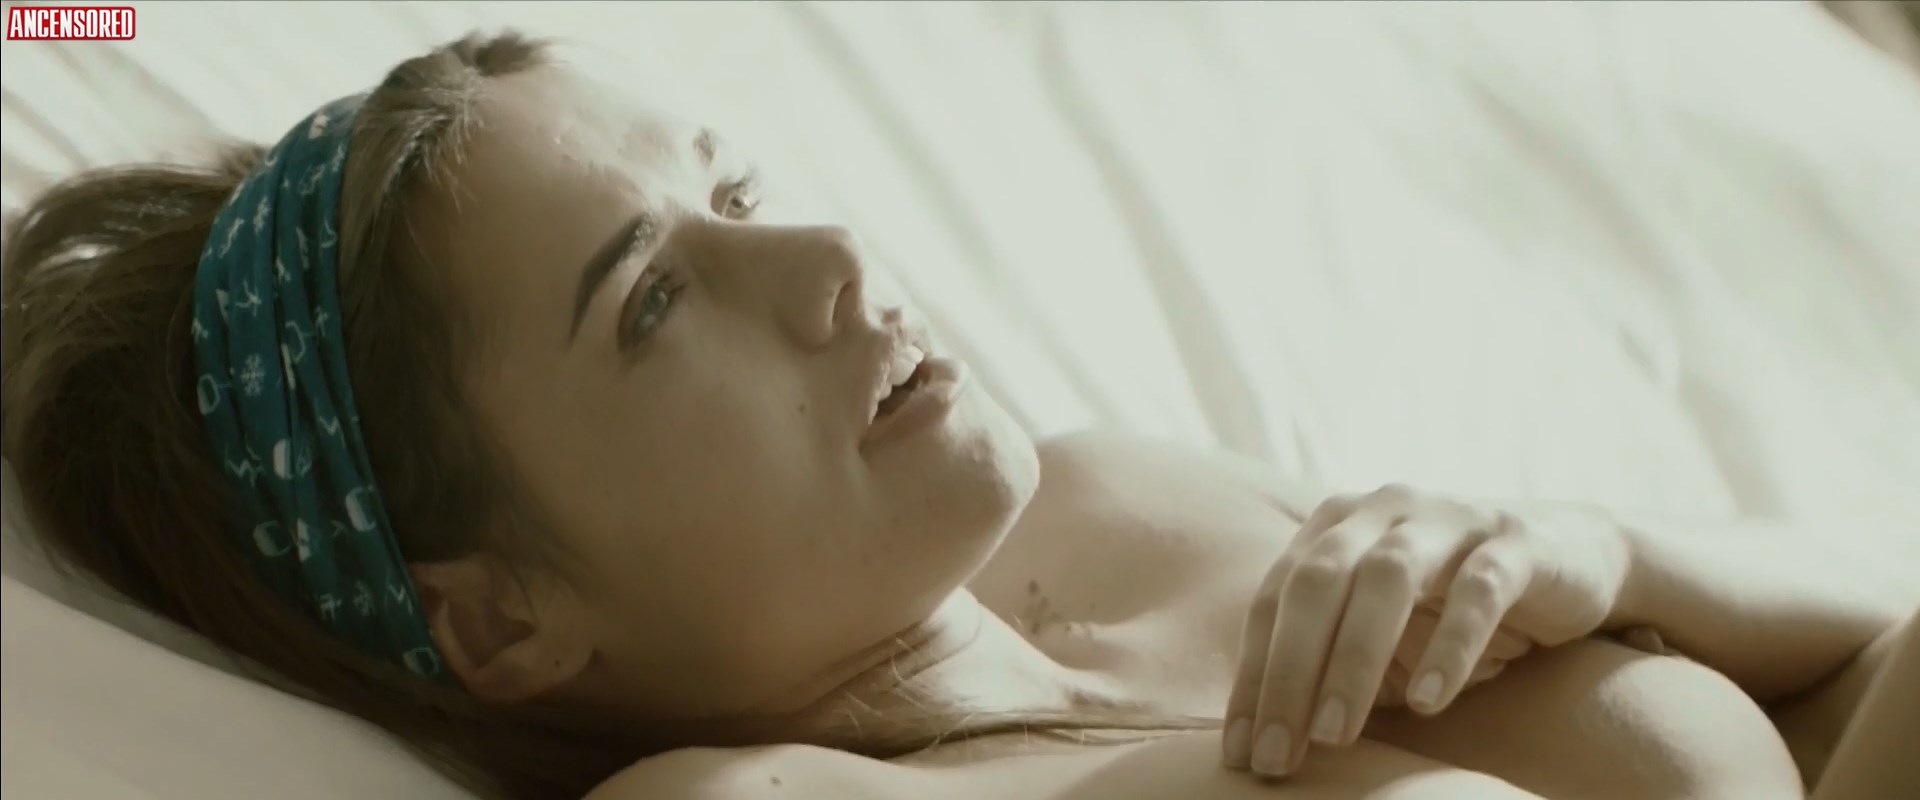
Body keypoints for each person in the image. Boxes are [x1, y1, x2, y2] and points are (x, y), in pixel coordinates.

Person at [2, 30, 1912, 800]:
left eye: (738, 189)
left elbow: (1864, 673)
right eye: (652, 299)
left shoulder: (1127, 505)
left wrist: (1606, 555)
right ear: (501, 616)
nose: (831, 258)